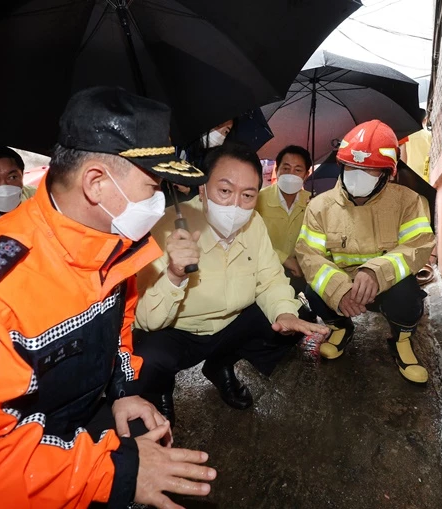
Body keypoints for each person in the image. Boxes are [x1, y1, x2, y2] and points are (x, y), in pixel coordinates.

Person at [0, 86, 216, 508]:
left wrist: (124, 389)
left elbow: (118, 324)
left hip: (77, 427)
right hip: (24, 469)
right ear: (97, 183)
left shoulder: (113, 242)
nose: (159, 203)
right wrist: (113, 475)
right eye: (153, 187)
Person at [134, 142, 328, 424]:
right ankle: (160, 390)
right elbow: (146, 318)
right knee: (146, 359)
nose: (236, 205)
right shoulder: (164, 226)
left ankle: (220, 365)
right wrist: (174, 275)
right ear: (202, 188)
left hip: (230, 322)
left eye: (248, 195)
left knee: (292, 320)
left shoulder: (254, 224)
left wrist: (284, 312)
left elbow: (271, 278)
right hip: (179, 330)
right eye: (224, 191)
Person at [295, 120, 436, 383]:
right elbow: (309, 255)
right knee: (314, 291)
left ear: (388, 173)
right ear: (341, 165)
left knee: (407, 295)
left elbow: (418, 246)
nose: (357, 174)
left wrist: (375, 273)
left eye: (369, 170)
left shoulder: (408, 201)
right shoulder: (319, 207)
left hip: (386, 285)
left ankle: (401, 340)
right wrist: (338, 289)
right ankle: (340, 328)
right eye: (351, 166)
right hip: (345, 289)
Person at [255, 145, 312, 296]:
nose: (290, 174)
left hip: (299, 269)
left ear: (306, 175)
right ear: (277, 170)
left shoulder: (312, 203)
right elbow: (252, 240)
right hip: (263, 268)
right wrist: (285, 259)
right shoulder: (257, 200)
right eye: (286, 168)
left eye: (297, 170)